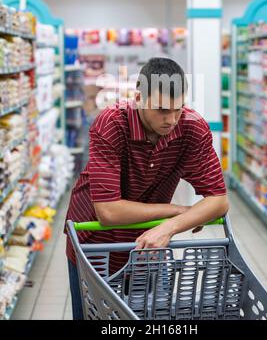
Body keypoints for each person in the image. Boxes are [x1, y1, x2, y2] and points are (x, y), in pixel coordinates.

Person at [65, 57, 229, 319]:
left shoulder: (192, 128)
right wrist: (177, 211)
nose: (172, 119)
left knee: (154, 315)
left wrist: (168, 227)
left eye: (178, 108)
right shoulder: (111, 123)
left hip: (150, 243)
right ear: (139, 97)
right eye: (162, 109)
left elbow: (218, 200)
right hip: (95, 242)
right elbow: (108, 211)